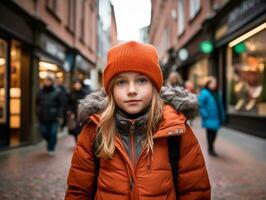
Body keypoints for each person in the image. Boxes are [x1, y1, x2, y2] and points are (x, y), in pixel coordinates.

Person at [65, 41, 210, 199]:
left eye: (141, 80)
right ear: (111, 89)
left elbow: (196, 192)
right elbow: (78, 191)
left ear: (154, 86)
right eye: (121, 82)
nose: (132, 90)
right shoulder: (94, 130)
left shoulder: (176, 131)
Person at [36, 75, 64, 156]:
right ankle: (50, 142)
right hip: (42, 117)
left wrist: (59, 115)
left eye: (48, 81)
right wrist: (38, 112)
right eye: (45, 81)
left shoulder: (57, 91)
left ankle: (51, 148)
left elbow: (61, 105)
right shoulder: (40, 91)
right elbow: (37, 103)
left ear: (51, 82)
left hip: (54, 118)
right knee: (43, 132)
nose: (46, 82)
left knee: (53, 133)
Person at [198, 76, 225, 156]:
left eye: (215, 83)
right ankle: (210, 149)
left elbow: (220, 105)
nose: (215, 85)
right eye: (213, 83)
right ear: (208, 84)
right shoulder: (204, 93)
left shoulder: (217, 93)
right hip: (209, 117)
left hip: (216, 117)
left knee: (214, 133)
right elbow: (200, 104)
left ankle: (211, 148)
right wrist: (205, 114)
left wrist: (222, 115)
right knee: (210, 134)